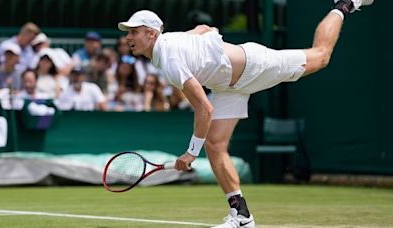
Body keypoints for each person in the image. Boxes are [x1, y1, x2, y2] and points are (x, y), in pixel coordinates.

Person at [117, 1, 374, 227]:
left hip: (253, 66)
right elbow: (203, 29)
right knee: (216, 146)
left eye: (134, 32)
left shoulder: (170, 58)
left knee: (320, 57)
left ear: (151, 34)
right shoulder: (169, 44)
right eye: (128, 32)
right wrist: (209, 35)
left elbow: (205, 108)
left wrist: (191, 153)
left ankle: (344, 4)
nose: (129, 37)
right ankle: (241, 216)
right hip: (228, 87)